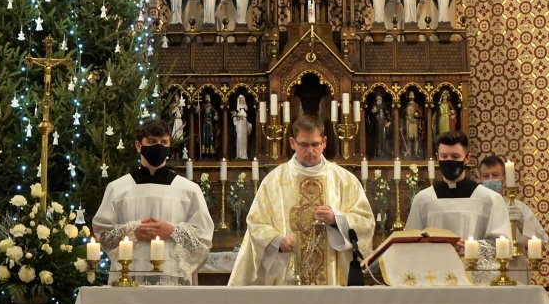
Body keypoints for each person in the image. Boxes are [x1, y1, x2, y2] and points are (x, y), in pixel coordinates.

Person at [231, 114, 374, 286]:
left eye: (315, 144)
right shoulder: (274, 181)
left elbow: (366, 222)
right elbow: (256, 222)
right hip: (289, 274)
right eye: (304, 145)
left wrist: (337, 219)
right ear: (293, 143)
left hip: (332, 278)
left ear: (324, 142)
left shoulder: (344, 180)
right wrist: (276, 241)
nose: (310, 151)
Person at [92, 119, 214, 284]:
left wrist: (172, 230)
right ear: (138, 145)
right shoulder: (118, 189)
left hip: (172, 277)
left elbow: (203, 238)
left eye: (164, 142)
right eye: (152, 141)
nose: (158, 146)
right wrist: (133, 231)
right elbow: (103, 235)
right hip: (128, 278)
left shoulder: (188, 190)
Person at [405, 132, 511, 272]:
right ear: (437, 158)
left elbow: (504, 245)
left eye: (455, 157)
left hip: (475, 280)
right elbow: (410, 245)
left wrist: (473, 249)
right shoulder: (423, 199)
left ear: (467, 158)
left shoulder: (490, 199)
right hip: (434, 276)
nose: (449, 161)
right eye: (444, 156)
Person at [479, 154, 547, 284]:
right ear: (480, 180)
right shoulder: (475, 208)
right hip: (485, 270)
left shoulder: (519, 207)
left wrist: (522, 223)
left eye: (495, 175)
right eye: (486, 176)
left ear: (504, 179)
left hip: (514, 269)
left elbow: (542, 241)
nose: (491, 179)